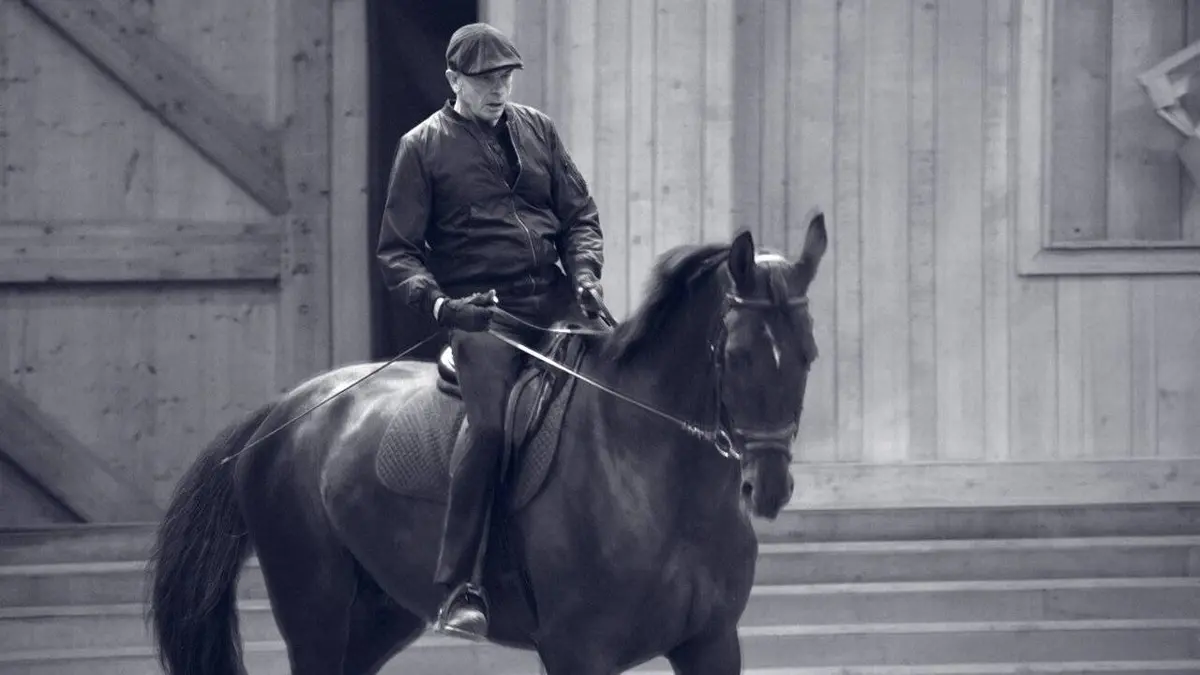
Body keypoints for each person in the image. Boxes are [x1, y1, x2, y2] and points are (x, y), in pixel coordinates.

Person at [375, 22, 605, 641]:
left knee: (629, 379)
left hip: (557, 297)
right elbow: (398, 253)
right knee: (491, 427)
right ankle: (461, 585)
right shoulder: (420, 148)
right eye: (486, 80)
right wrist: (443, 308)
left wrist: (584, 274)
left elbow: (580, 215)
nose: (500, 88)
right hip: (483, 314)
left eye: (506, 77)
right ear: (454, 80)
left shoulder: (538, 130)